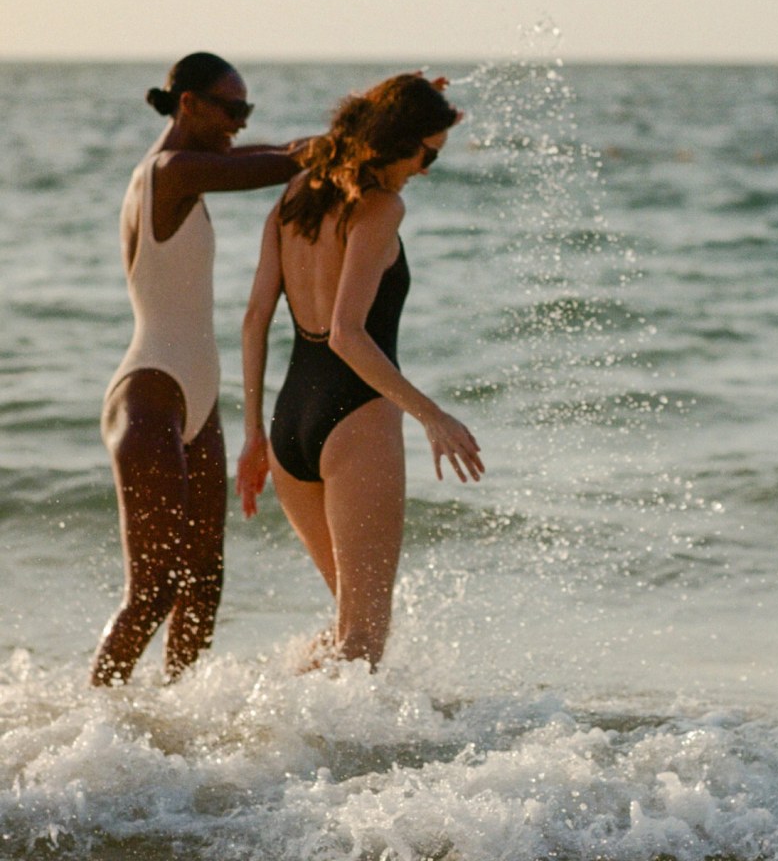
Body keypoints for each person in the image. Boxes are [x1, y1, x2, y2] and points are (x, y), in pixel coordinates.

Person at [236, 73, 484, 671]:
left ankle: (270, 732)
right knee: (364, 642)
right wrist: (434, 416)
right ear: (397, 141)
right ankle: (326, 759)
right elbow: (348, 334)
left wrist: (253, 437)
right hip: (355, 418)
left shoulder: (293, 196)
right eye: (426, 153)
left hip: (290, 420)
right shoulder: (379, 208)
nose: (425, 169)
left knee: (349, 628)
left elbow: (252, 321)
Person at [91, 52, 305, 686]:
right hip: (151, 391)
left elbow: (274, 151)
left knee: (204, 583)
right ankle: (93, 728)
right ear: (190, 104)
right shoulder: (169, 171)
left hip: (198, 398)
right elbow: (282, 162)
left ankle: (172, 730)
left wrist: (386, 115)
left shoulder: (192, 168)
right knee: (153, 590)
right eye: (231, 109)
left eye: (247, 111)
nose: (239, 122)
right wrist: (358, 135)